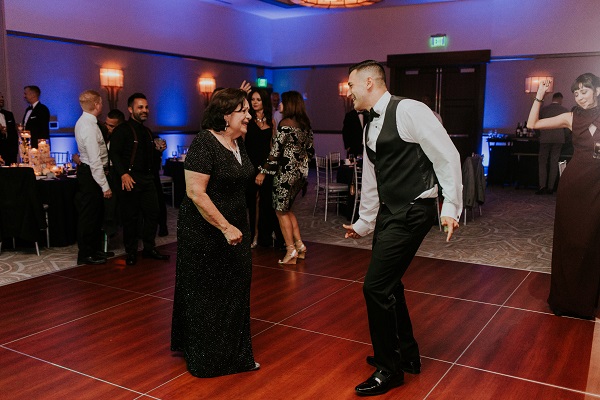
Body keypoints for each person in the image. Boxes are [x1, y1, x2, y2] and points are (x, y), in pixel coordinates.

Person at [341, 60, 463, 396]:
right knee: (390, 286)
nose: (348, 93)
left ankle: (389, 369)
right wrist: (364, 223)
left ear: (369, 82)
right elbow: (370, 182)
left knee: (375, 288)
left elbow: (446, 156)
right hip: (388, 212)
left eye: (351, 86)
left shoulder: (409, 110)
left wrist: (451, 206)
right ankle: (406, 357)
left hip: (414, 210)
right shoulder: (368, 127)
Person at [170, 88, 258, 377]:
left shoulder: (237, 142)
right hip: (205, 230)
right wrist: (224, 226)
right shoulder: (204, 143)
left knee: (236, 289)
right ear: (225, 115)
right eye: (243, 110)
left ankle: (236, 354)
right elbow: (195, 193)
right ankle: (207, 358)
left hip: (236, 227)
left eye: (248, 109)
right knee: (207, 293)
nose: (249, 115)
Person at [527, 73, 600, 320]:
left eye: (585, 91)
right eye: (576, 93)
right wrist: (539, 96)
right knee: (571, 241)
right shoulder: (571, 117)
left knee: (592, 241)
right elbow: (532, 125)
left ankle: (589, 299)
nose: (580, 96)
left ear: (597, 91)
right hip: (574, 185)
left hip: (597, 186)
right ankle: (567, 301)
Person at [109, 93, 170, 266]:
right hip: (131, 178)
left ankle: (149, 248)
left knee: (153, 213)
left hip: (148, 179)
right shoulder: (122, 130)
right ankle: (131, 252)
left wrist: (159, 149)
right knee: (131, 218)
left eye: (146, 107)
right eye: (140, 107)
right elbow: (114, 153)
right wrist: (123, 174)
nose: (145, 110)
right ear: (130, 109)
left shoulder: (147, 131)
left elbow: (148, 155)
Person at [256, 91, 314, 264]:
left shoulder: (285, 124)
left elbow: (275, 153)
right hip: (299, 175)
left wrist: (263, 171)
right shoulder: (305, 126)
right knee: (287, 210)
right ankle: (300, 246)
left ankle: (290, 251)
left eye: (282, 102)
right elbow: (310, 152)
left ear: (288, 104)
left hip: (285, 175)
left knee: (280, 212)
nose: (279, 104)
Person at [73, 90, 113, 265]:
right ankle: (85, 254)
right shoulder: (88, 126)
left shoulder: (88, 122)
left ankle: (95, 250)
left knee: (96, 215)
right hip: (90, 174)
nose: (102, 105)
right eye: (101, 103)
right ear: (96, 104)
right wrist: (105, 186)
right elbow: (94, 160)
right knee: (89, 215)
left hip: (91, 173)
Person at [245, 88, 283, 248]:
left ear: (264, 102)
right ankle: (253, 237)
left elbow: (273, 147)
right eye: (252, 99)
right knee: (252, 203)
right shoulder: (247, 120)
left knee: (268, 202)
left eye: (258, 99)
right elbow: (242, 145)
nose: (254, 102)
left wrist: (265, 169)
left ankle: (267, 236)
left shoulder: (271, 121)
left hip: (266, 167)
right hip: (250, 166)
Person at [535, 92, 569, 195]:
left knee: (542, 162)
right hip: (559, 139)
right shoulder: (564, 110)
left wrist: (539, 135)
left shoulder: (544, 109)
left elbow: (536, 122)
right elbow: (567, 128)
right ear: (560, 99)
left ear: (553, 98)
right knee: (554, 163)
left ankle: (542, 186)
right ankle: (550, 188)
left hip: (545, 138)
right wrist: (564, 136)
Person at [0, 92, 18, 165]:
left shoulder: (9, 114)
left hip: (9, 152)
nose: (1, 99)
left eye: (2, 97)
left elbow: (13, 133)